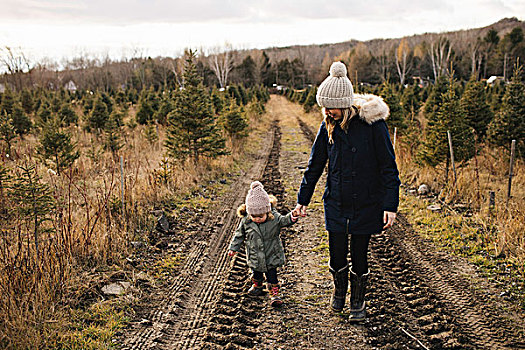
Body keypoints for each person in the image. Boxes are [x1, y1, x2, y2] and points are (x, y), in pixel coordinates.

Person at [294, 61, 400, 322]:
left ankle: (358, 301)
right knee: (337, 252)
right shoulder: (327, 126)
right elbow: (315, 164)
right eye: (324, 107)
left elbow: (388, 167)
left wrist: (390, 205)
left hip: (366, 202)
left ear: (344, 104)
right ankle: (339, 291)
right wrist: (302, 200)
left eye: (331, 107)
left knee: (360, 254)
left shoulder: (373, 126)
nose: (327, 112)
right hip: (337, 201)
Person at [229, 181, 299, 307]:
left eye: (260, 216)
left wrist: (292, 216)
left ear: (267, 211)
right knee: (256, 272)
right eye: (254, 216)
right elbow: (239, 235)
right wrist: (233, 248)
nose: (257, 219)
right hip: (255, 254)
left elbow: (285, 221)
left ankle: (274, 294)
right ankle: (257, 286)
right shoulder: (246, 221)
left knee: (272, 275)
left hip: (271, 253)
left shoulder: (274, 218)